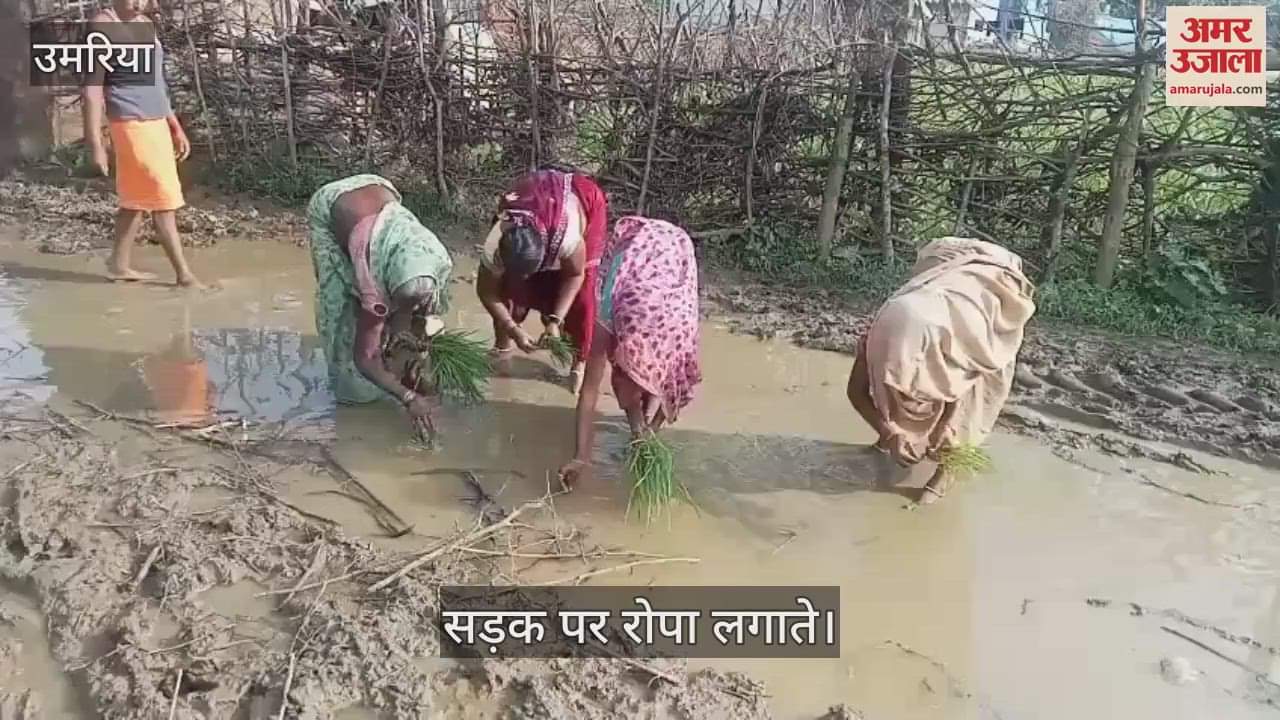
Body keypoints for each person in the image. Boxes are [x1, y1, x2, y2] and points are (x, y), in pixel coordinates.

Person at [846, 237, 1036, 504]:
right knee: (899, 384)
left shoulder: (965, 341)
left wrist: (946, 425)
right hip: (942, 266)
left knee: (971, 407)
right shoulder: (878, 335)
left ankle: (945, 475)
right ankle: (891, 440)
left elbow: (959, 388)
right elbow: (856, 391)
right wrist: (889, 432)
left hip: (990, 295)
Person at [557, 217, 702, 487]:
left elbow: (676, 389)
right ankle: (637, 419)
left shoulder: (679, 333)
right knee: (629, 380)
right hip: (634, 252)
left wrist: (650, 434)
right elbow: (589, 391)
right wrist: (581, 457)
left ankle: (642, 427)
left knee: (655, 383)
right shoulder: (609, 317)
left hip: (675, 252)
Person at [306, 174, 453, 431]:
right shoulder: (374, 281)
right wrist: (407, 397)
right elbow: (364, 358)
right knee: (339, 306)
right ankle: (350, 389)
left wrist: (415, 347)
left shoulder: (436, 258)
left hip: (381, 190)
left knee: (407, 321)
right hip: (332, 205)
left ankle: (392, 354)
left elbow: (426, 312)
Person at [81, 0, 204, 287]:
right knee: (163, 196)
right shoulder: (102, 25)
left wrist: (173, 124)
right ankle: (184, 275)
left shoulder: (144, 25)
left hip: (156, 121)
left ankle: (118, 265)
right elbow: (92, 89)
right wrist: (95, 144)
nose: (139, 3)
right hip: (129, 122)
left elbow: (156, 82)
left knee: (137, 197)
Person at [475, 168, 608, 393]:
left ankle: (578, 363)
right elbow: (487, 291)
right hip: (532, 201)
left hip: (583, 200)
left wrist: (555, 320)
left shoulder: (567, 236)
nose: (527, 278)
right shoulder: (497, 242)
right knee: (510, 289)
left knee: (583, 299)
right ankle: (502, 348)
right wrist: (513, 328)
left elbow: (575, 275)